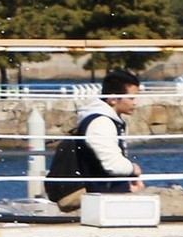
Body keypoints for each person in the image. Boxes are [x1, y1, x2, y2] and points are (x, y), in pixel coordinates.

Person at [46, 69, 146, 211]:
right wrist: (134, 169)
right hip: (98, 193)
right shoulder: (101, 122)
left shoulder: (107, 119)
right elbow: (113, 165)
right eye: (131, 98)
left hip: (105, 191)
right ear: (113, 99)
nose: (135, 103)